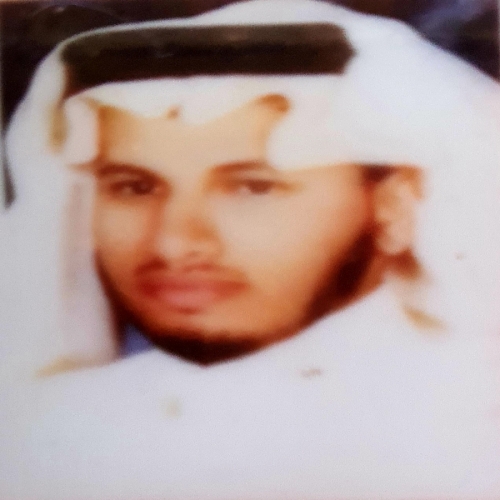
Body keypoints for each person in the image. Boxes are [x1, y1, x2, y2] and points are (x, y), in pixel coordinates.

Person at [1, 1, 500, 498]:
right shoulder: (55, 431)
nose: (174, 241)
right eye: (134, 187)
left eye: (252, 188)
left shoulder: (472, 436)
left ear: (396, 207)